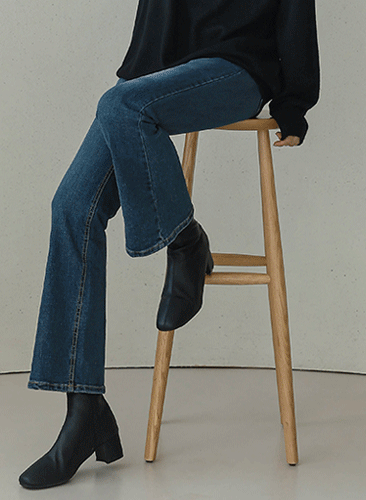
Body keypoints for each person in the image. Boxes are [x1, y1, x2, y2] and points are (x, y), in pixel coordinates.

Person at [19, 0, 320, 490]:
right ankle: (84, 411)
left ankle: (185, 243)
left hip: (239, 73)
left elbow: (296, 16)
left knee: (121, 105)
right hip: (164, 76)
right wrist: (136, 85)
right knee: (73, 208)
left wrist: (294, 104)